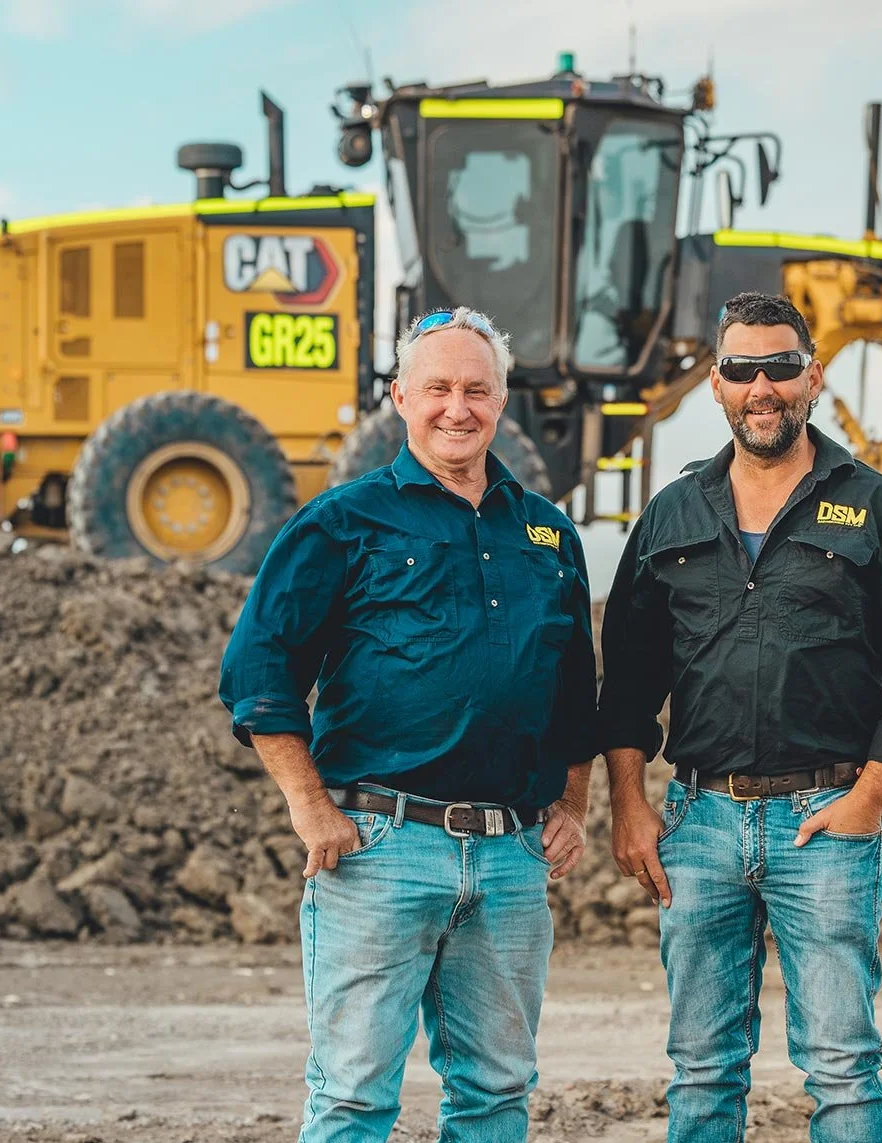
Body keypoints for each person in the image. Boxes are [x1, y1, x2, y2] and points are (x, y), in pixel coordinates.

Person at [218, 307, 597, 1143]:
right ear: (400, 397)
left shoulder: (546, 530)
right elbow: (258, 668)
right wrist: (309, 805)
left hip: (511, 858)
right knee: (355, 1095)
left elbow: (575, 688)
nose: (457, 408)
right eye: (438, 389)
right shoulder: (341, 522)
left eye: (477, 390)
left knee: (497, 1092)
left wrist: (574, 802)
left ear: (502, 402)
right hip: (380, 850)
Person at [597, 291, 882, 1141]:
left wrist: (866, 801)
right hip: (698, 823)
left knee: (842, 1067)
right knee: (701, 1068)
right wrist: (630, 802)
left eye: (781, 367)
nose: (762, 387)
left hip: (824, 823)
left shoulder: (879, 509)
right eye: (741, 369)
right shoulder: (672, 514)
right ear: (716, 385)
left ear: (813, 377)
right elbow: (628, 680)